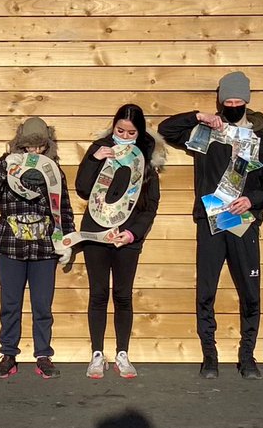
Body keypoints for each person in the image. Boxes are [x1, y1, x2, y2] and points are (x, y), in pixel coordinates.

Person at [158, 71, 263, 380]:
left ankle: (248, 356)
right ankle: (210, 356)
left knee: (250, 293)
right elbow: (166, 129)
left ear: (247, 101)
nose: (232, 104)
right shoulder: (205, 133)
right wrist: (198, 116)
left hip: (243, 222)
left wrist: (252, 200)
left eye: (237, 100)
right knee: (206, 291)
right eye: (226, 100)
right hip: (211, 220)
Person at [0, 117, 75, 380]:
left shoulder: (54, 170)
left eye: (40, 146)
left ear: (47, 145)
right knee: (10, 303)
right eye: (29, 146)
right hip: (11, 245)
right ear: (21, 143)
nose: (35, 152)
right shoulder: (6, 163)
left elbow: (63, 208)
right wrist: (4, 168)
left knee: (42, 304)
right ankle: (8, 354)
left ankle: (43, 355)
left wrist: (66, 240)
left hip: (44, 248)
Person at [74, 104, 165, 379]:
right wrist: (94, 159)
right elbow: (82, 188)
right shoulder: (100, 148)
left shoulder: (146, 159)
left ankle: (123, 353)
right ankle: (97, 354)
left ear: (139, 133)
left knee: (123, 294)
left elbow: (150, 206)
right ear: (112, 127)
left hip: (127, 237)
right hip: (96, 234)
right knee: (98, 293)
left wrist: (133, 233)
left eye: (130, 132)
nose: (124, 136)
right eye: (119, 130)